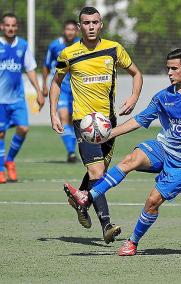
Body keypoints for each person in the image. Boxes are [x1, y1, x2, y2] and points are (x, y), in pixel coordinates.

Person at [63, 48, 181, 256]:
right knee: (130, 159)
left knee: (153, 202)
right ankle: (87, 197)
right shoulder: (162, 97)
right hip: (163, 148)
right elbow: (138, 120)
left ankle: (133, 242)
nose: (169, 73)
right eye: (168, 68)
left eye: (174, 68)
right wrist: (108, 134)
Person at [49, 7, 143, 243]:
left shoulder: (114, 49)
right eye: (86, 23)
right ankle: (107, 225)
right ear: (79, 27)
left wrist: (133, 97)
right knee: (98, 172)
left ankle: (81, 201)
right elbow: (56, 82)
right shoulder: (68, 54)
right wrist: (53, 113)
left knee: (97, 173)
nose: (91, 26)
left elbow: (136, 73)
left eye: (95, 22)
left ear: (101, 25)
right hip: (84, 122)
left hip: (109, 124)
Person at [0, 13, 45, 183]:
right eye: (7, 25)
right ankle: (0, 170)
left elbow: (31, 69)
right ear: (2, 27)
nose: (10, 28)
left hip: (17, 98)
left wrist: (39, 92)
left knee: (23, 129)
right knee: (0, 133)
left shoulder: (23, 45)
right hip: (0, 100)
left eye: (13, 25)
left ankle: (9, 160)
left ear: (16, 27)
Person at [42, 20, 79, 163]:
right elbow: (46, 65)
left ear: (76, 31)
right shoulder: (54, 45)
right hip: (61, 87)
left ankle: (72, 149)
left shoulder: (80, 45)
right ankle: (71, 152)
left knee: (73, 120)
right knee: (63, 118)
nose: (70, 32)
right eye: (68, 29)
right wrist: (44, 85)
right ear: (64, 30)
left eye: (73, 29)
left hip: (76, 89)